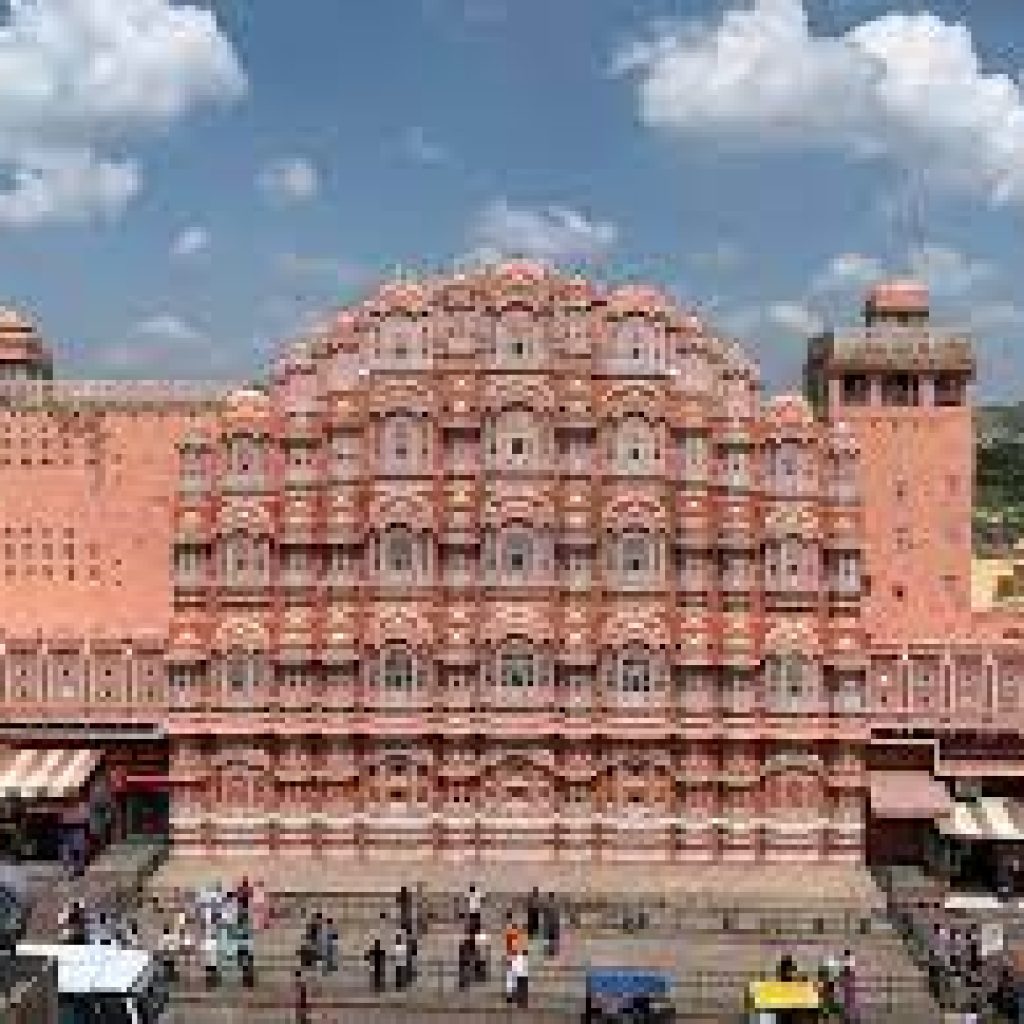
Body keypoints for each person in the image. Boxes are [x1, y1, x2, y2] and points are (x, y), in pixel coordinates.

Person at [542, 892, 560, 958]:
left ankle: (550, 952)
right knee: (552, 939)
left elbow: (546, 916)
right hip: (552, 925)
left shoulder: (547, 906)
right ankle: (552, 952)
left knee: (550, 939)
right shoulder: (555, 906)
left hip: (550, 925)